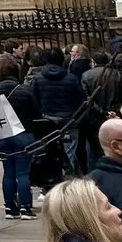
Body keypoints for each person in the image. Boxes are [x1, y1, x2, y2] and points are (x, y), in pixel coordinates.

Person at [28, 49, 89, 180]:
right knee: (70, 151)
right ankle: (69, 178)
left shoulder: (38, 79)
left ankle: (53, 176)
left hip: (47, 120)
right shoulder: (71, 78)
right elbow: (81, 99)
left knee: (50, 151)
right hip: (69, 119)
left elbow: (34, 100)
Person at [0, 55, 36, 220]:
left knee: (8, 171)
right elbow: (36, 112)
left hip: (2, 134)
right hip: (23, 133)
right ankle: (25, 206)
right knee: (23, 172)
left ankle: (10, 207)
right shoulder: (24, 90)